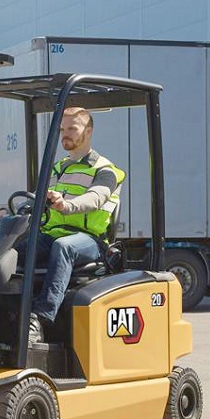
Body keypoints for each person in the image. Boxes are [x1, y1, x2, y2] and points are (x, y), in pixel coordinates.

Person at [26, 106, 124, 344]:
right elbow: (41, 198)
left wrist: (67, 205)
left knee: (64, 247)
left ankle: (41, 318)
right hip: (52, 233)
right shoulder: (58, 167)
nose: (65, 134)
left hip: (88, 240)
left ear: (88, 132)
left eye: (72, 128)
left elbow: (96, 198)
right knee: (7, 244)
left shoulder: (105, 170)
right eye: (62, 129)